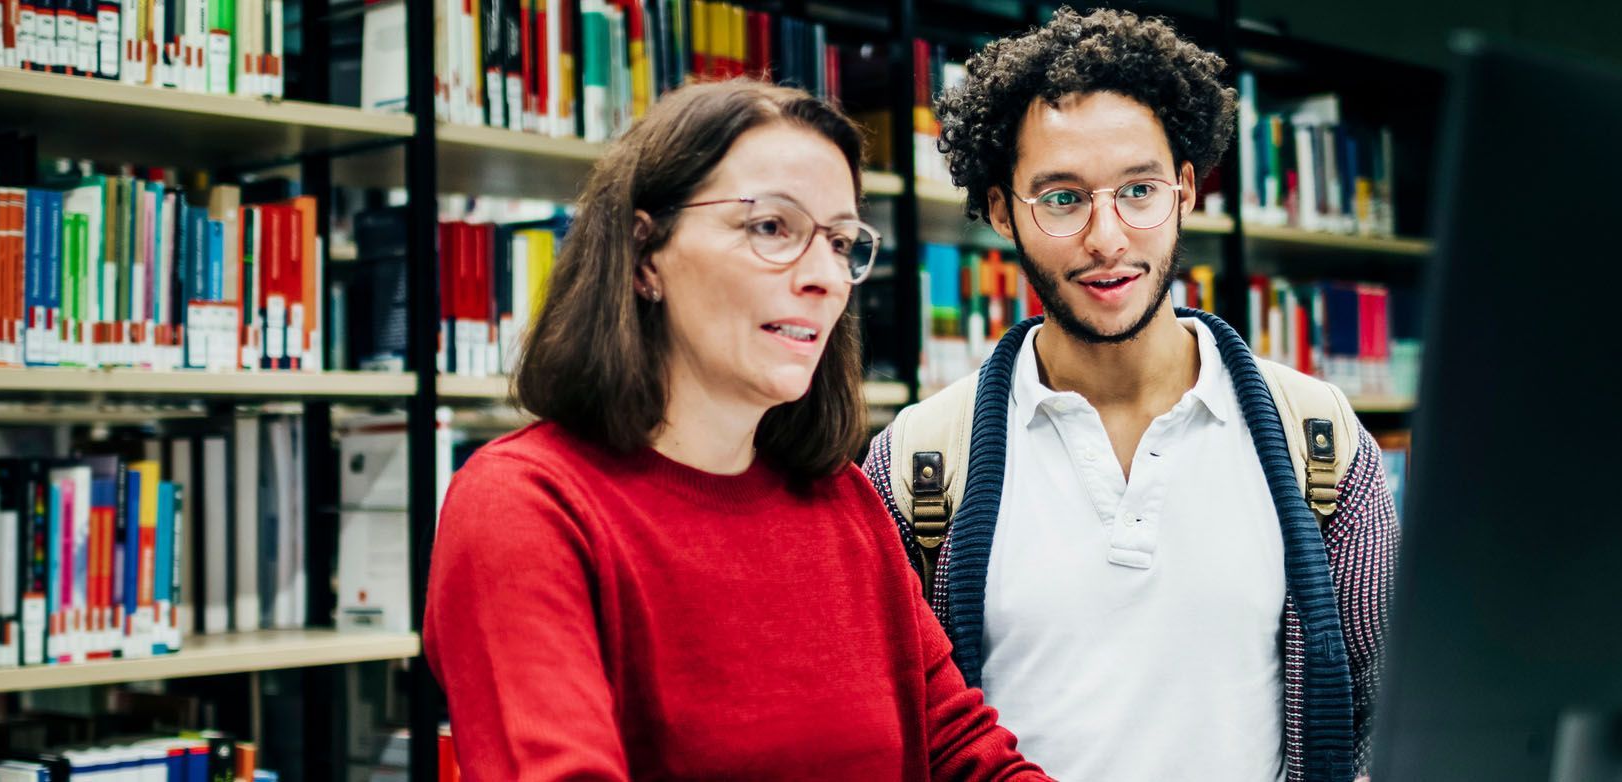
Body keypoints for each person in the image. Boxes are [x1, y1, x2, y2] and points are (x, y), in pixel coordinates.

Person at [423, 79, 1049, 782]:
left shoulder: (842, 502)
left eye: (840, 241)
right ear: (644, 254)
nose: (824, 277)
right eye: (771, 228)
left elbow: (963, 753)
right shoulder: (526, 506)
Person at [860, 8, 1400, 782]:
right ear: (1000, 209)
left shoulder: (1318, 437)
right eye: (1061, 198)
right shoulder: (914, 463)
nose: (1107, 237)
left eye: (1137, 189)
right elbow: (904, 731)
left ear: (1184, 190)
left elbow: (1375, 718)